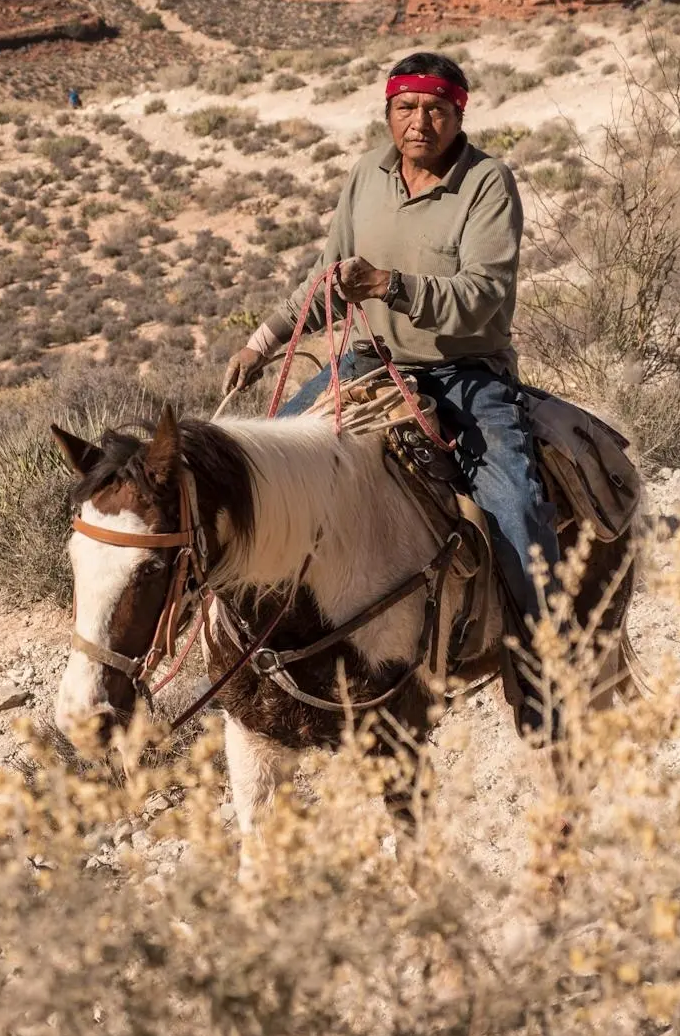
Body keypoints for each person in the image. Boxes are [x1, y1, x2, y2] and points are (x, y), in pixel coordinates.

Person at [220, 52, 563, 730]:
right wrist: (262, 342)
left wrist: (390, 287)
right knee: (260, 469)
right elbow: (326, 278)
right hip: (371, 365)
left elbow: (486, 300)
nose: (420, 122)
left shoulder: (487, 184)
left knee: (516, 505)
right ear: (387, 113)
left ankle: (540, 668)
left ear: (460, 113)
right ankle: (245, 645)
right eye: (406, 108)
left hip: (466, 374)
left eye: (436, 108)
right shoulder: (366, 177)